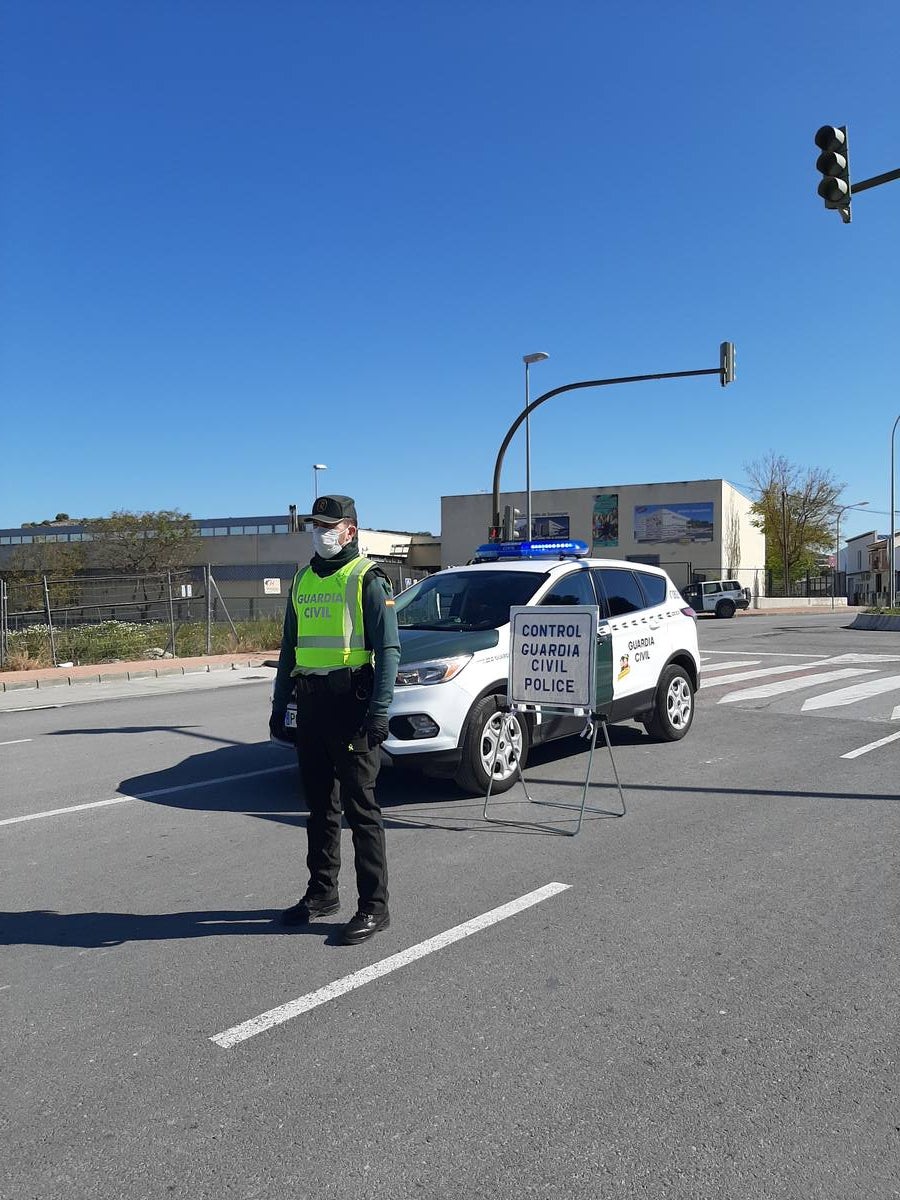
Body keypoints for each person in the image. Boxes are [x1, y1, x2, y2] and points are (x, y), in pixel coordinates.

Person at [270, 494, 400, 944]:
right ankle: (322, 893)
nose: (320, 532)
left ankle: (374, 907)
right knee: (320, 808)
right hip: (311, 705)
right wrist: (279, 705)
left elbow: (388, 650)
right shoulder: (303, 579)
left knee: (361, 810)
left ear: (350, 530)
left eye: (329, 525)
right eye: (315, 524)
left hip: (352, 706)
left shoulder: (367, 578)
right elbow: (290, 648)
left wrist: (380, 711)